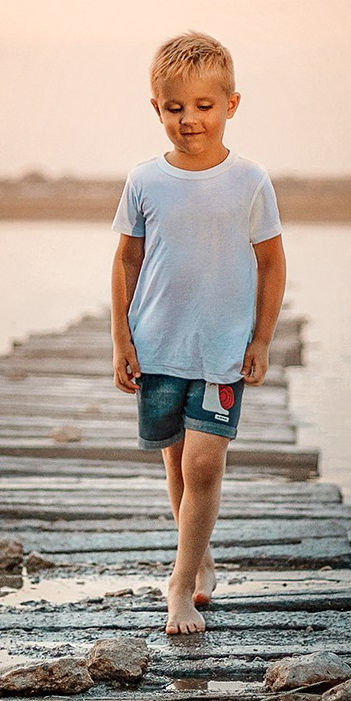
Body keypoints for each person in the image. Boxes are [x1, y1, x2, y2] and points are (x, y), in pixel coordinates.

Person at [110, 31, 286, 635]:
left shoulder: (249, 181)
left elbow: (271, 263)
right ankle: (199, 552)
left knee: (206, 466)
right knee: (178, 464)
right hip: (158, 347)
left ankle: (179, 585)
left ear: (231, 105)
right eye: (174, 107)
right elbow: (127, 261)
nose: (190, 120)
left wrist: (261, 340)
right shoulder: (144, 181)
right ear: (155, 107)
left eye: (204, 107)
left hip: (220, 355)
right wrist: (121, 340)